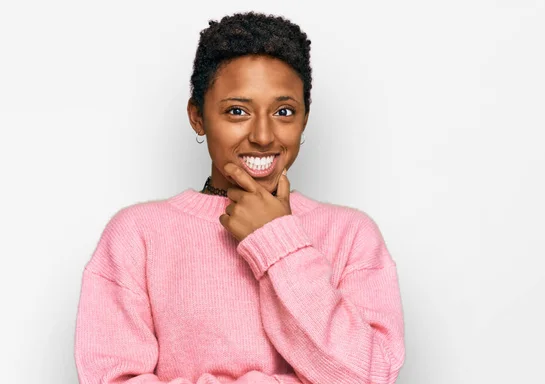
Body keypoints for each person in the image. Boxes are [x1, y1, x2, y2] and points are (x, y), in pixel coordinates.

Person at [74, 11, 405, 384]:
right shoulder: (136, 235)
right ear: (197, 116)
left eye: (284, 111)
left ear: (305, 118)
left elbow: (371, 375)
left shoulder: (352, 235)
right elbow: (113, 376)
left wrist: (277, 241)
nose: (263, 135)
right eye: (237, 111)